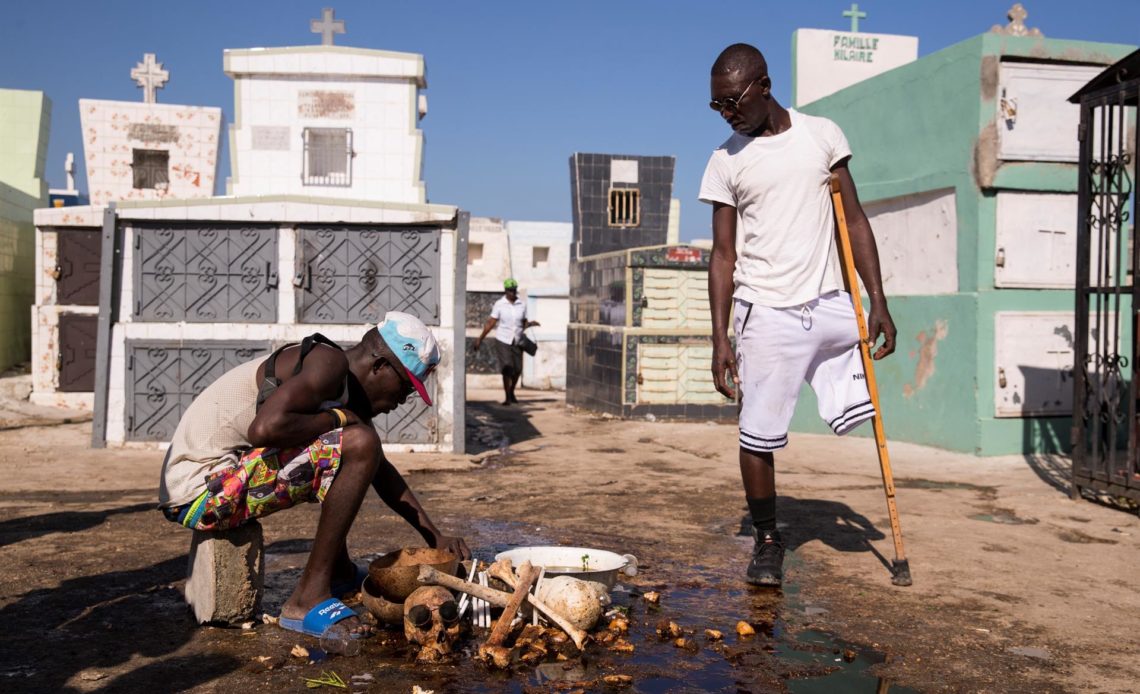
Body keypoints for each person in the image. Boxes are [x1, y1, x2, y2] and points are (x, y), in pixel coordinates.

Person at [700, 43, 896, 587]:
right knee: (756, 432)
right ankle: (767, 540)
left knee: (865, 413)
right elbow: (722, 255)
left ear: (764, 85)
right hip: (764, 310)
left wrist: (877, 299)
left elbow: (852, 219)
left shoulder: (822, 135)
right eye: (716, 106)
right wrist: (720, 338)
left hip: (832, 301)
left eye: (732, 101)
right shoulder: (724, 160)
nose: (727, 113)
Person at [158, 311, 470, 640]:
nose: (401, 401)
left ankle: (338, 571)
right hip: (198, 491)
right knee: (359, 443)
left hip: (215, 483)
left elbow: (379, 468)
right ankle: (307, 599)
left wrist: (433, 535)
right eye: (405, 387)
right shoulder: (328, 363)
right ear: (379, 366)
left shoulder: (345, 386)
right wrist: (337, 418)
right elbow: (264, 429)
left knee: (361, 444)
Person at [473, 278, 540, 405]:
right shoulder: (499, 304)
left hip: (518, 340)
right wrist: (480, 338)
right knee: (507, 367)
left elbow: (523, 323)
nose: (512, 293)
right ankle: (507, 396)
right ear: (505, 291)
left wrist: (530, 324)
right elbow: (491, 323)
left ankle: (512, 391)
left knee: (518, 369)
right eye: (510, 290)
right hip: (503, 340)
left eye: (514, 290)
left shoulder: (521, 304)